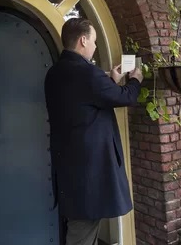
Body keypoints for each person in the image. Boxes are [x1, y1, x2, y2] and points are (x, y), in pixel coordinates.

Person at [45, 18, 143, 245]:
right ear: (83, 40)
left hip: (69, 166)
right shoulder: (87, 74)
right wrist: (135, 80)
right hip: (89, 172)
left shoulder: (54, 73)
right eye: (94, 41)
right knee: (81, 234)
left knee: (81, 227)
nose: (96, 46)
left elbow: (83, 102)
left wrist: (109, 80)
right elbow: (124, 97)